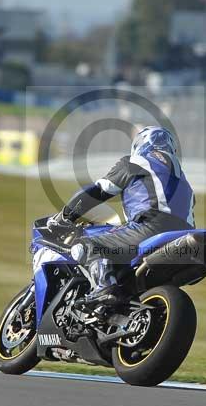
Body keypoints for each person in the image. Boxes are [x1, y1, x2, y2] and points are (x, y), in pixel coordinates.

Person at [47, 126, 196, 305]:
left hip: (149, 228)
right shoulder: (185, 183)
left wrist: (65, 216)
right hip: (185, 239)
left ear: (141, 144)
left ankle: (104, 288)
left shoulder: (136, 162)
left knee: (86, 246)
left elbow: (97, 191)